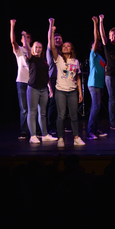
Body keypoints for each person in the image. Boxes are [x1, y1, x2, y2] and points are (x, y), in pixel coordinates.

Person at [49, 18, 85, 147]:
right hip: (60, 91)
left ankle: (76, 137)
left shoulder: (75, 61)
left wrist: (80, 93)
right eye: (63, 46)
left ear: (71, 49)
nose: (65, 47)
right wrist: (51, 27)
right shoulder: (58, 59)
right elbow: (52, 46)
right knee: (61, 115)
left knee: (74, 116)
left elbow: (78, 78)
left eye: (67, 46)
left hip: (72, 92)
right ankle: (60, 138)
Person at [23, 28, 57, 144]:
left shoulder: (44, 61)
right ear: (32, 49)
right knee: (32, 112)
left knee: (43, 113)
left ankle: (45, 134)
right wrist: (24, 37)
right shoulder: (30, 59)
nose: (38, 49)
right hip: (33, 88)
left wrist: (50, 88)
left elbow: (46, 75)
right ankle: (33, 136)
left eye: (40, 47)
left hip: (43, 89)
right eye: (36, 47)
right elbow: (27, 49)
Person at [10, 19, 32, 140]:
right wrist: (12, 25)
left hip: (33, 82)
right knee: (24, 108)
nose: (25, 38)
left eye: (28, 37)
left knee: (34, 108)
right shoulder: (19, 50)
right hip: (21, 81)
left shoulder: (34, 50)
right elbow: (12, 41)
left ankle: (36, 131)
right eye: (24, 37)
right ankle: (24, 131)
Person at [87, 16, 108, 140]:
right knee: (95, 107)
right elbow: (97, 38)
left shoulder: (101, 57)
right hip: (93, 84)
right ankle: (90, 132)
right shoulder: (93, 55)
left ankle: (95, 129)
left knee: (98, 107)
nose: (98, 45)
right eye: (96, 44)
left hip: (100, 84)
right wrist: (96, 24)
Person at [46, 26, 63, 136]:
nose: (57, 40)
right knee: (53, 104)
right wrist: (51, 30)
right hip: (53, 79)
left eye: (59, 38)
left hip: (62, 80)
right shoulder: (51, 50)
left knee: (60, 104)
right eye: (55, 38)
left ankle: (58, 126)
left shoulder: (62, 51)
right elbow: (49, 40)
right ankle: (51, 127)